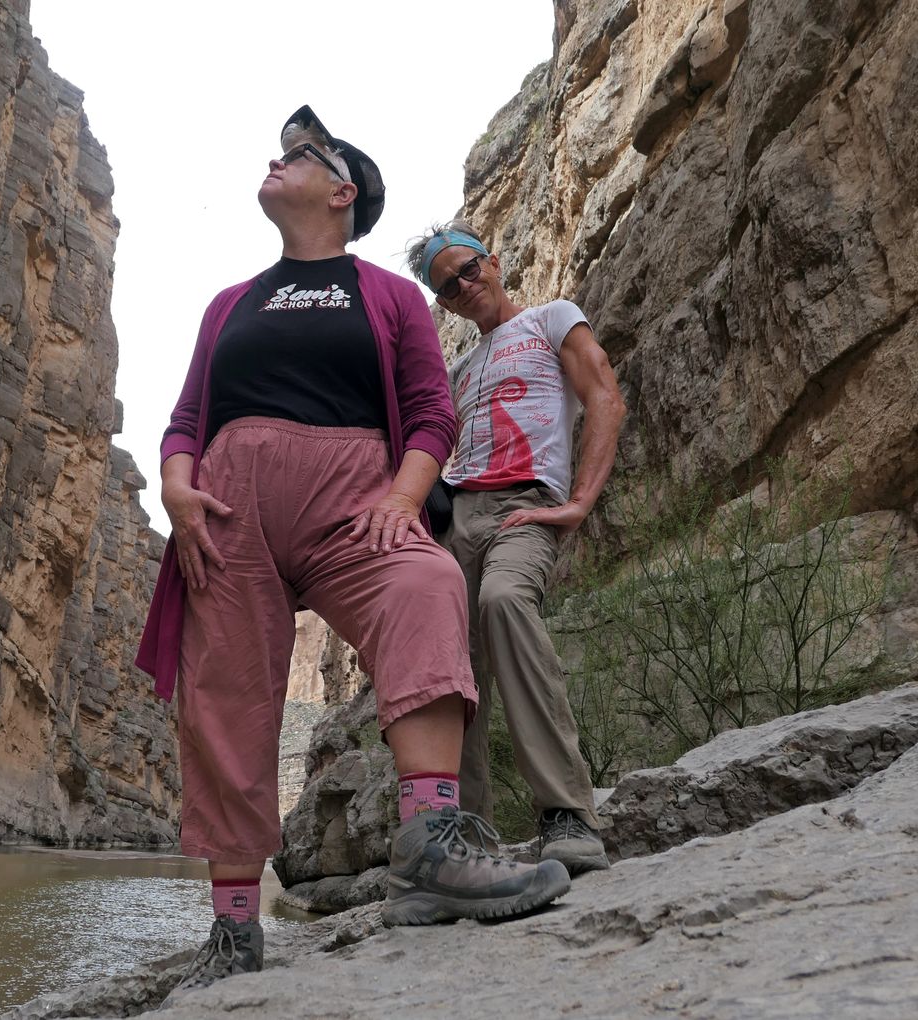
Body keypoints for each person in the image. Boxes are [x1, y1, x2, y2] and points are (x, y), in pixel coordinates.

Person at [137, 112, 570, 994]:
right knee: (225, 693)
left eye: (297, 155)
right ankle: (231, 934)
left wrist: (408, 498)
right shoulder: (229, 303)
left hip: (354, 501)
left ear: (342, 193)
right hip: (227, 511)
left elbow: (428, 412)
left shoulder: (391, 294)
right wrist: (178, 489)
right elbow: (186, 420)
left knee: (426, 581)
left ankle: (434, 852)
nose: (275, 159)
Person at [405, 220, 626, 876]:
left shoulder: (553, 319)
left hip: (523, 506)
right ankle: (465, 842)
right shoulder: (460, 369)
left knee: (504, 600)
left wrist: (579, 501)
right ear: (442, 303)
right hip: (455, 522)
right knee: (449, 670)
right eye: (447, 286)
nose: (464, 286)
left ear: (494, 261)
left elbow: (604, 396)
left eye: (469, 269)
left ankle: (568, 814)